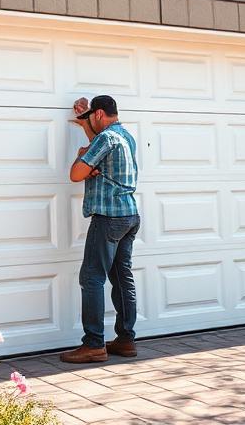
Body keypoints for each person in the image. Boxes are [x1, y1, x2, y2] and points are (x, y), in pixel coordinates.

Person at [60, 95, 141, 364]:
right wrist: (86, 126)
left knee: (92, 277)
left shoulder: (105, 139)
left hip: (108, 217)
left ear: (99, 114)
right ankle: (126, 340)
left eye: (92, 117)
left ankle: (94, 344)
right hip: (129, 214)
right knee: (121, 276)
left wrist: (82, 157)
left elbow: (75, 174)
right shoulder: (126, 136)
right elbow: (98, 157)